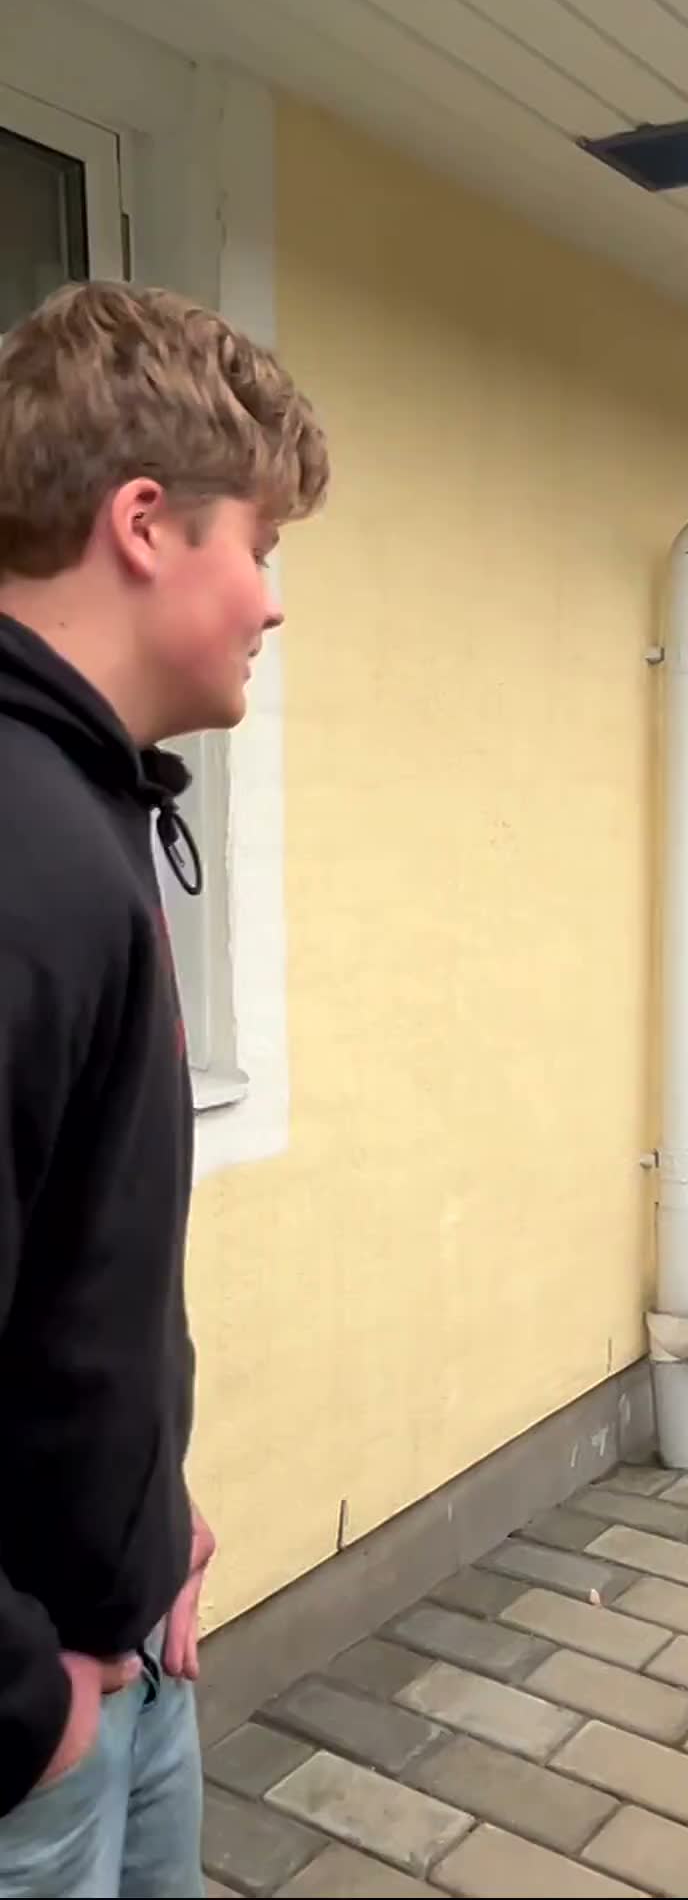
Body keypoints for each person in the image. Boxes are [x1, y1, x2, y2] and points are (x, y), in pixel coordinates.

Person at [0, 282, 328, 1897]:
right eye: (256, 545)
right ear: (144, 524)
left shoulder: (86, 799)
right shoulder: (16, 849)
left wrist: (150, 1521)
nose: (274, 603)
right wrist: (28, 1706)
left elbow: (80, 1268)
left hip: (130, 1640)